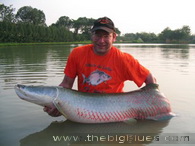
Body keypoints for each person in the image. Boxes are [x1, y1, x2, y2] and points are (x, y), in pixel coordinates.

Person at [44, 17, 157, 117]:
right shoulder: (77, 53)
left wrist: (148, 106)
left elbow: (151, 80)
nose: (101, 41)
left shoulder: (124, 59)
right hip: (84, 108)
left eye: (106, 36)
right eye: (98, 35)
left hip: (116, 111)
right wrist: (56, 104)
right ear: (92, 35)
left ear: (114, 37)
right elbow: (66, 84)